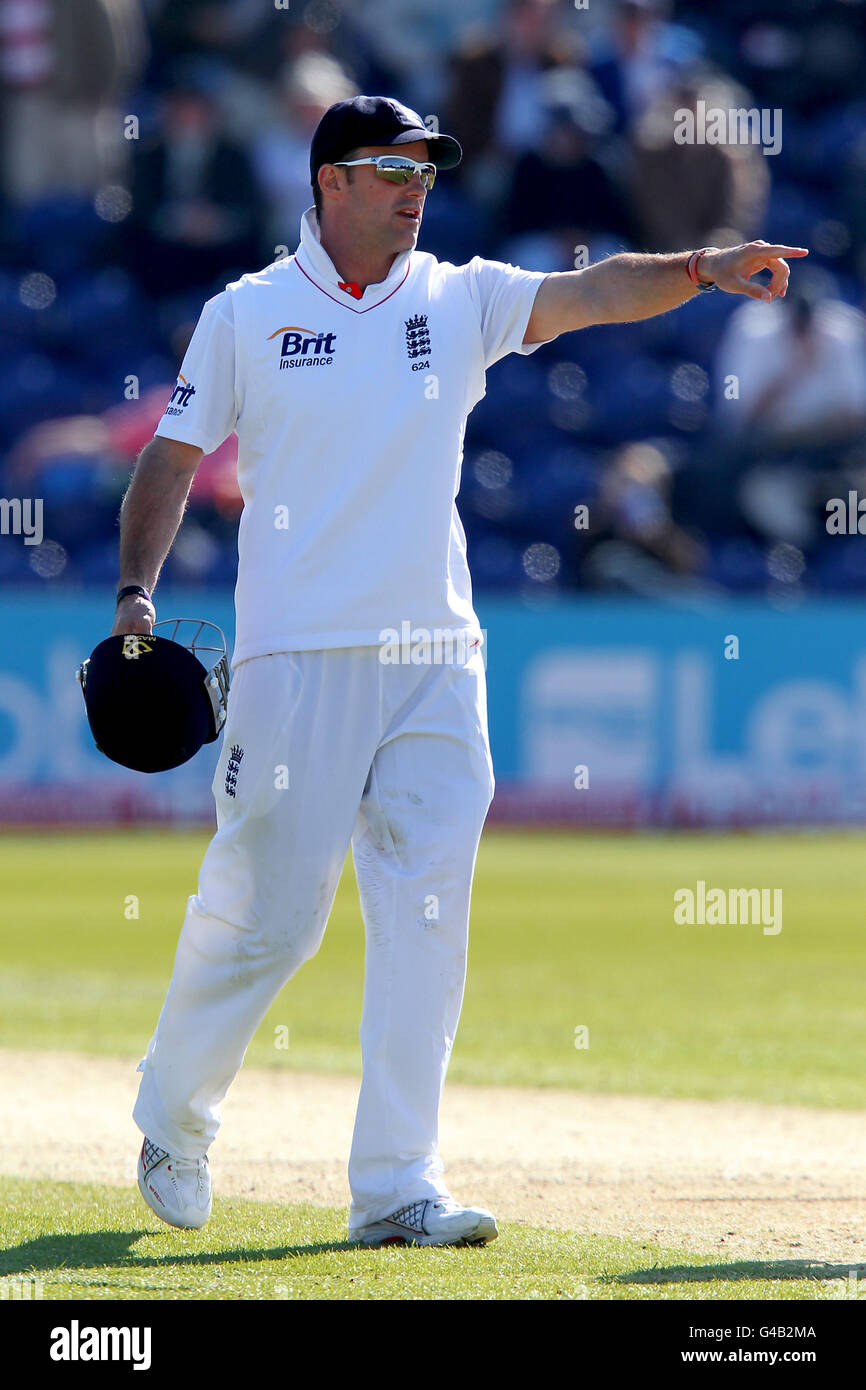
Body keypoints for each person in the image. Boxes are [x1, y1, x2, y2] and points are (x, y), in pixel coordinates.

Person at [113, 94, 807, 1248]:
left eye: (425, 166)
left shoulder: (457, 294)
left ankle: (395, 1184)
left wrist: (697, 264)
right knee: (268, 920)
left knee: (426, 918)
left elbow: (590, 293)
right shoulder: (245, 314)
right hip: (298, 658)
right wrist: (137, 596)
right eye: (389, 166)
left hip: (437, 656)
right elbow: (170, 461)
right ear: (328, 180)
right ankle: (172, 1121)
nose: (413, 185)